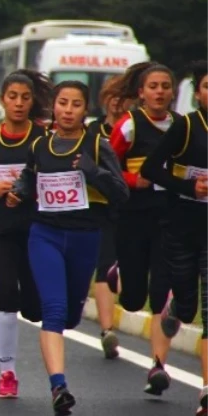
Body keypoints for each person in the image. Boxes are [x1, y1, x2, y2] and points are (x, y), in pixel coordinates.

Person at [8, 81, 127, 416]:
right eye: (63, 103)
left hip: (85, 237)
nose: (68, 110)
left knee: (71, 314)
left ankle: (68, 327)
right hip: (44, 234)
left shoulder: (97, 144)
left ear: (84, 110)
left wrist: (92, 171)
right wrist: (18, 191)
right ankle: (58, 386)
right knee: (55, 310)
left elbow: (121, 192)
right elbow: (30, 179)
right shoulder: (39, 145)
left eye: (76, 104)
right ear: (54, 107)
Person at [140, 61, 208, 416]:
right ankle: (175, 309)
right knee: (187, 304)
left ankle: (206, 391)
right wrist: (187, 186)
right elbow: (150, 168)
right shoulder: (185, 127)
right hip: (181, 227)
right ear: (198, 92)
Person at [0, 70, 48, 399]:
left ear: (32, 102)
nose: (19, 104)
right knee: (5, 297)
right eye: (13, 97)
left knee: (34, 309)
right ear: (2, 100)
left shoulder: (42, 139)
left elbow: (56, 180)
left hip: (37, 232)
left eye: (25, 98)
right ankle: (7, 372)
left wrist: (25, 188)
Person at [108, 62, 177, 395]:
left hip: (169, 218)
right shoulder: (129, 126)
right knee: (133, 300)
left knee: (161, 293)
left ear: (173, 92)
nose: (160, 91)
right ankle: (117, 272)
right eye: (153, 86)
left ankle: (158, 366)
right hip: (133, 218)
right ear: (141, 93)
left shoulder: (183, 127)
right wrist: (136, 180)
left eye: (165, 85)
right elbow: (106, 169)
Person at [89, 86, 128, 359]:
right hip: (102, 209)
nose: (116, 103)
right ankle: (107, 330)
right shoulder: (93, 133)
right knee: (105, 265)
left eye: (122, 98)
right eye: (111, 97)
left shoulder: (135, 129)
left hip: (137, 209)